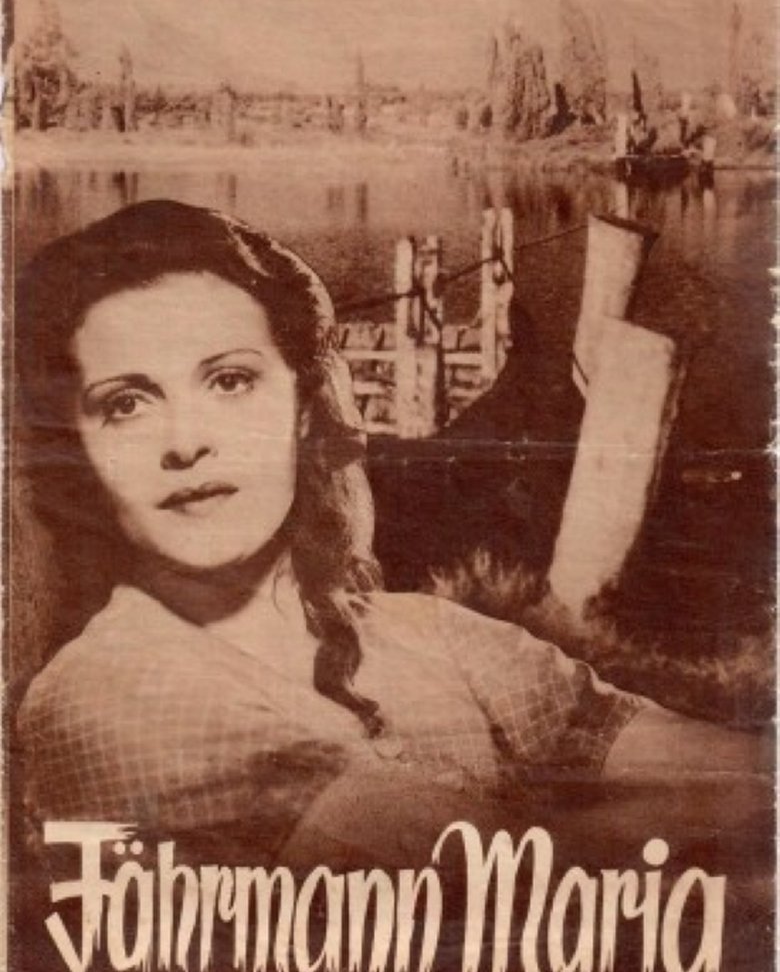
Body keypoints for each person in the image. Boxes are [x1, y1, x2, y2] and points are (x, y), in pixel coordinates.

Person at [15, 199, 768, 873]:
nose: (186, 443)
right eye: (126, 404)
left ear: (305, 407)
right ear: (79, 448)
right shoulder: (98, 698)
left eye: (231, 380)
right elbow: (494, 876)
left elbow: (745, 772)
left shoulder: (435, 634)